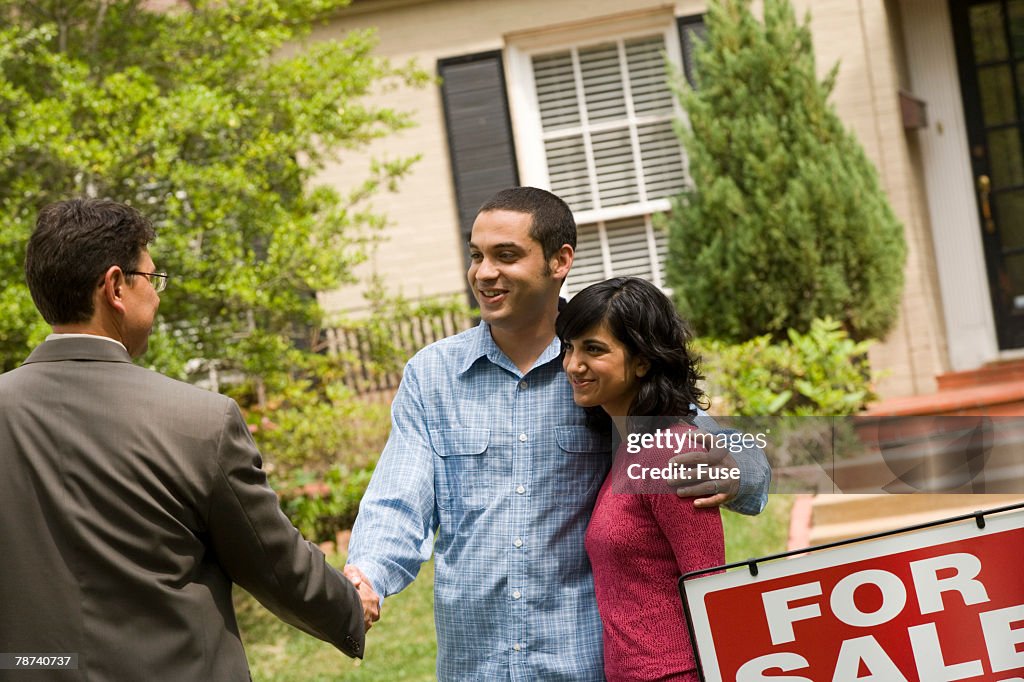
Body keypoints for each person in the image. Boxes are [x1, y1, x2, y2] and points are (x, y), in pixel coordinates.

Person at [346, 187, 769, 680]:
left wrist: (735, 470)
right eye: (477, 256)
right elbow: (398, 500)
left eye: (506, 255)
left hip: (586, 663)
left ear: (559, 260)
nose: (484, 273)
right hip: (476, 665)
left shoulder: (604, 370)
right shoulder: (432, 375)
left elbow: (716, 448)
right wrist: (368, 575)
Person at [0, 198, 369, 682]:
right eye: (151, 280)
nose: (156, 296)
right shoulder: (198, 421)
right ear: (115, 286)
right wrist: (349, 605)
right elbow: (274, 562)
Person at [558, 276, 724, 681]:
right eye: (569, 348)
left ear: (642, 360)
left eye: (593, 350)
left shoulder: (673, 451)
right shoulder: (628, 449)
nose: (573, 365)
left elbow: (710, 587)